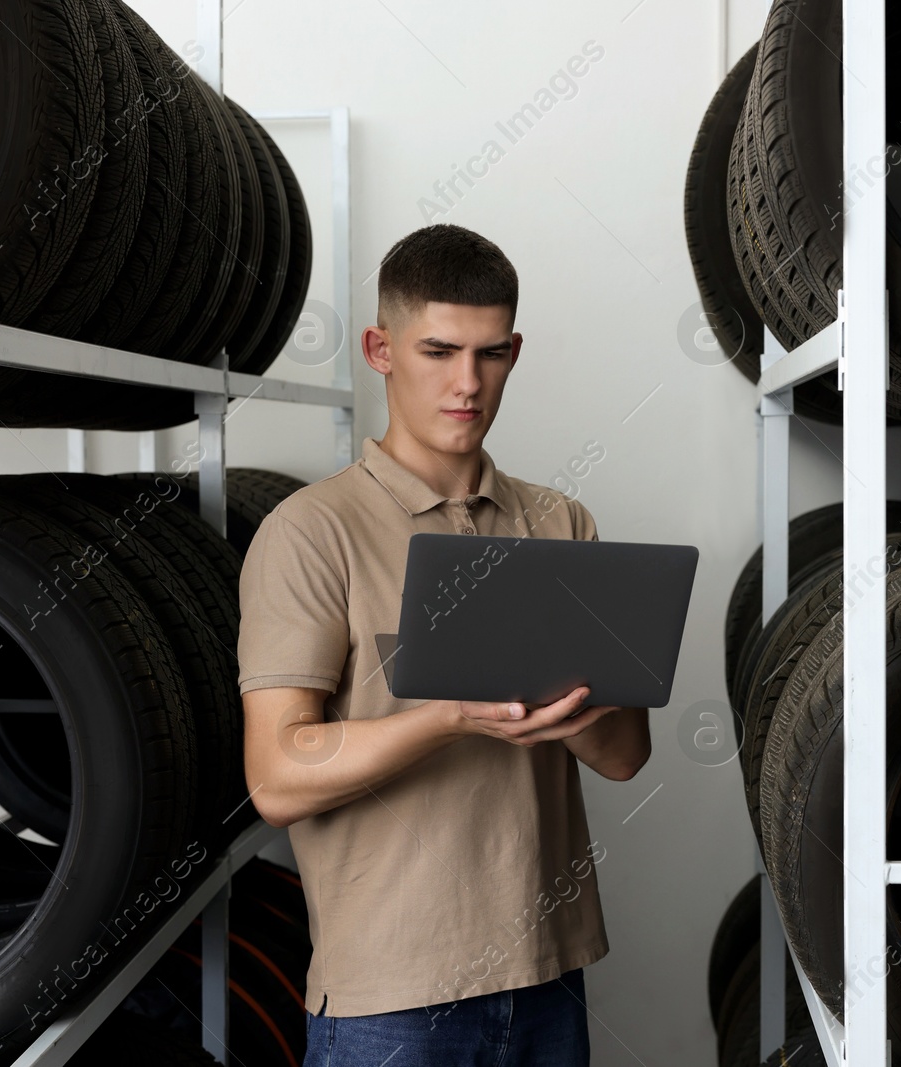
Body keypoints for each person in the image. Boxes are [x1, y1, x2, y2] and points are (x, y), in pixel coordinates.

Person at [236, 223, 651, 1066]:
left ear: (514, 349)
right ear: (380, 349)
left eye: (492, 353)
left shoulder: (561, 524)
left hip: (547, 978)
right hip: (388, 1000)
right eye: (439, 351)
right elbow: (277, 777)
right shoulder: (312, 532)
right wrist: (448, 717)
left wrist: (558, 710)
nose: (468, 383)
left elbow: (624, 754)